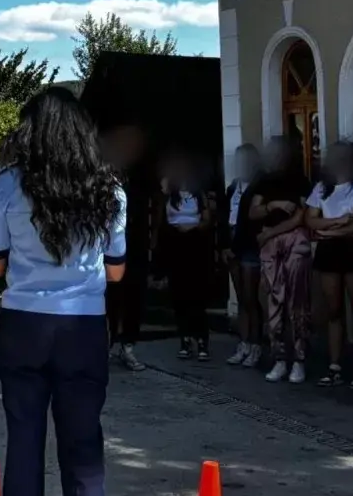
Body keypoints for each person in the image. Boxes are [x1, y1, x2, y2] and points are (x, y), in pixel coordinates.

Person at [0, 88, 126, 496]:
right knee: (84, 458)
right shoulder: (108, 188)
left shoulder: (7, 184)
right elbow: (117, 271)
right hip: (83, 327)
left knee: (24, 448)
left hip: (24, 324)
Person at [306, 141, 353, 388]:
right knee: (333, 310)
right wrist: (338, 222)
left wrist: (328, 230)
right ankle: (335, 365)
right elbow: (310, 220)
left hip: (352, 249)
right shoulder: (321, 188)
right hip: (329, 251)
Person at [250, 136, 312, 384]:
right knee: (274, 301)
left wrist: (270, 233)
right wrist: (274, 205)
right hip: (270, 245)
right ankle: (279, 358)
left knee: (298, 302)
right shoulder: (264, 181)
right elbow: (253, 212)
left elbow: (302, 217)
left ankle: (299, 359)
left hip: (294, 239)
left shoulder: (301, 181)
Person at [101, 123, 152, 372]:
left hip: (136, 243)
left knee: (134, 296)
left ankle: (128, 345)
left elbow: (152, 206)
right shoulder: (102, 177)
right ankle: (109, 342)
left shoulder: (140, 175)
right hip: (110, 247)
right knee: (110, 296)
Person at [157, 148, 214, 361]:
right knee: (179, 295)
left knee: (196, 295)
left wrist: (194, 227)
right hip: (176, 244)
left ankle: (201, 339)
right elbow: (162, 220)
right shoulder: (169, 193)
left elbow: (207, 219)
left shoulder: (198, 193)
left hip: (195, 244)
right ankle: (185, 338)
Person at [223, 143, 264, 368]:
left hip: (248, 245)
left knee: (250, 297)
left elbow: (252, 222)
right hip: (232, 242)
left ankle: (256, 343)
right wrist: (224, 245)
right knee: (240, 297)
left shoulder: (259, 187)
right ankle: (244, 342)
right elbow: (225, 216)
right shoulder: (233, 187)